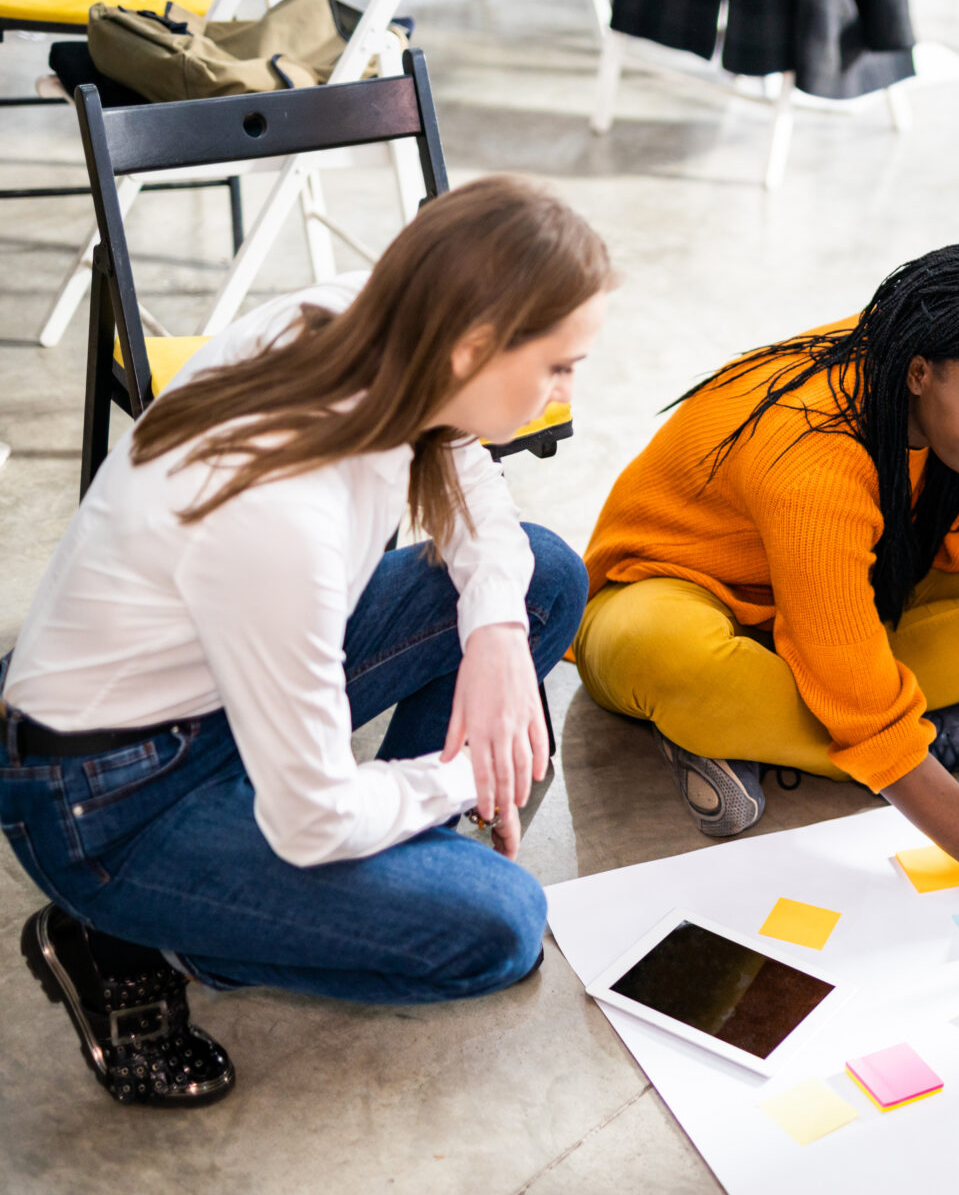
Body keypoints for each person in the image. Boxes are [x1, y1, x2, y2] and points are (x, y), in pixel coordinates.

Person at [0, 176, 601, 1107]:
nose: (568, 390)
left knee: (539, 578)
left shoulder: (362, 324)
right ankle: (150, 927)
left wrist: (493, 635)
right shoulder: (285, 511)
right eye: (560, 365)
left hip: (212, 694)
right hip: (109, 794)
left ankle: (365, 868)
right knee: (502, 927)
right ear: (474, 348)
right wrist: (471, 773)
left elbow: (466, 470)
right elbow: (312, 814)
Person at [573, 243, 959, 948]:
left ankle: (771, 737)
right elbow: (871, 724)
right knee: (684, 663)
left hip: (830, 595)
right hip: (665, 600)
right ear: (919, 374)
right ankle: (916, 733)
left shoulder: (912, 354)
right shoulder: (813, 462)